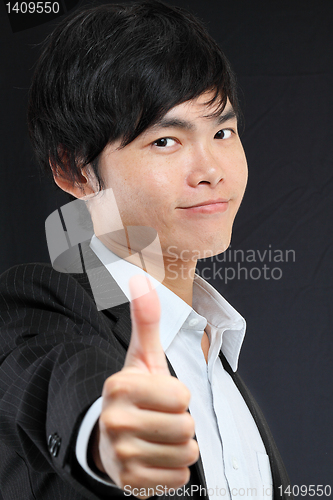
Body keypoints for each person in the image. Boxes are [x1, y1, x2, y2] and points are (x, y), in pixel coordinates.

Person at [0, 1, 293, 499]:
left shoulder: (215, 349)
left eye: (222, 132)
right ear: (73, 171)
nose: (211, 170)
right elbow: (61, 377)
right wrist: (106, 430)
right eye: (165, 141)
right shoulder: (41, 305)